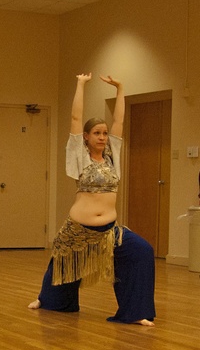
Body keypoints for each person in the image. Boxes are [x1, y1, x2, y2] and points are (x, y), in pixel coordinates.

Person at [28, 73, 156, 326]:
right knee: (62, 260)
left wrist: (120, 89)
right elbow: (76, 118)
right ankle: (47, 299)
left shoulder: (112, 158)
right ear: (86, 137)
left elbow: (119, 120)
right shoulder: (80, 157)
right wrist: (80, 84)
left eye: (104, 133)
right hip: (78, 228)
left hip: (109, 232)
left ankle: (135, 311)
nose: (102, 136)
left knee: (142, 251)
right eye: (96, 132)